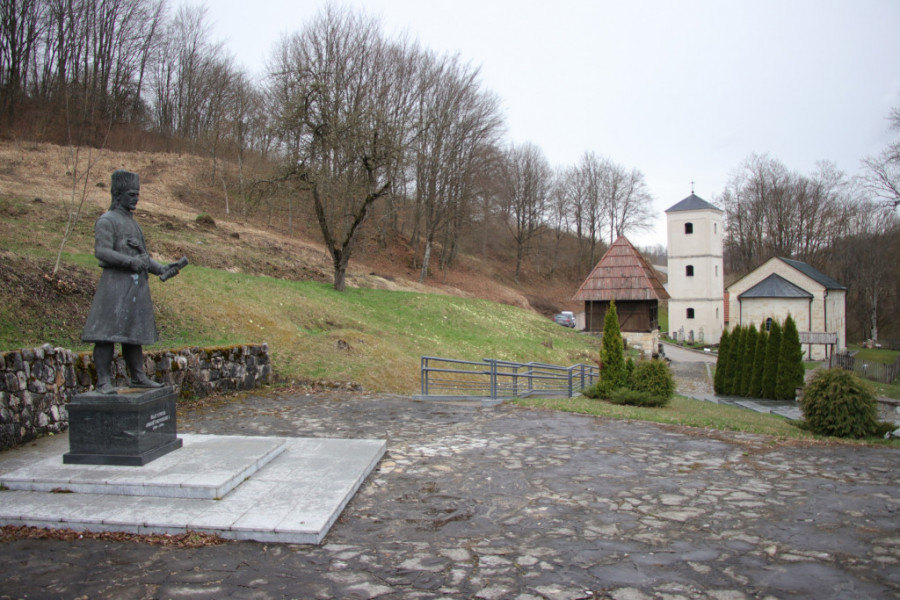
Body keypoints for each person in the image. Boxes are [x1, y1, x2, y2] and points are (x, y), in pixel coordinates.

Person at [81, 170, 182, 394]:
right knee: (106, 335)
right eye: (131, 194)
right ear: (118, 195)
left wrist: (162, 269)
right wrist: (129, 262)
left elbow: (142, 257)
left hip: (135, 287)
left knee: (133, 335)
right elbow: (102, 252)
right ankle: (103, 382)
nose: (136, 198)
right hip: (114, 286)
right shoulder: (107, 221)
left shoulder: (133, 223)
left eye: (137, 194)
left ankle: (137, 377)